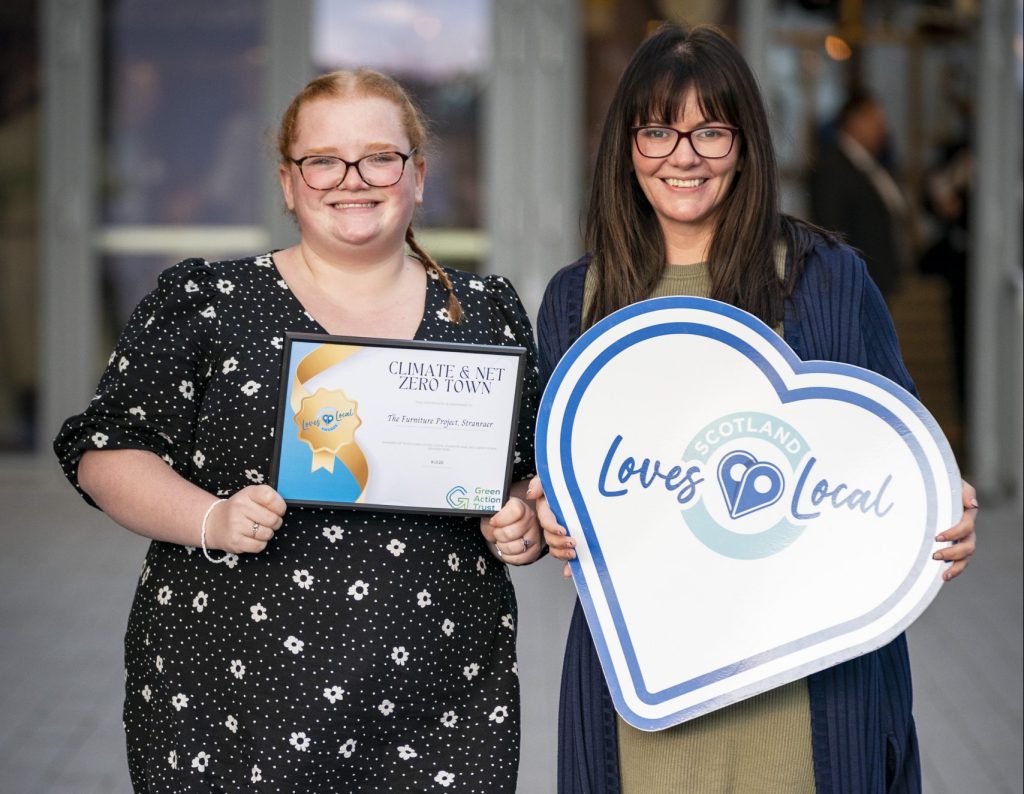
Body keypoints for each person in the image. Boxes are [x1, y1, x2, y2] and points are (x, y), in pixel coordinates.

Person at [54, 68, 543, 792]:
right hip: (233, 703)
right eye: (323, 160)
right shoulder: (209, 302)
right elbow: (103, 451)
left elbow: (526, 473)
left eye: (381, 156)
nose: (353, 178)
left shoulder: (484, 313)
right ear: (289, 181)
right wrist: (210, 516)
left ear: (417, 175)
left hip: (440, 705)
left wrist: (521, 521)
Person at [528, 23, 978, 793]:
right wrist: (544, 511)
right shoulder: (578, 301)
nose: (684, 156)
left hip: (806, 689)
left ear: (745, 144)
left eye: (711, 130)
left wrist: (940, 504)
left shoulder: (825, 277)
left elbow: (891, 441)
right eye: (658, 131)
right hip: (645, 692)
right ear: (626, 146)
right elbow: (552, 483)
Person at [808, 89, 913, 300]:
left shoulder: (873, 165)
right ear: (855, 120)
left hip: (879, 283)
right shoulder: (833, 167)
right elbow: (831, 229)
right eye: (876, 120)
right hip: (855, 285)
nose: (883, 128)